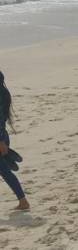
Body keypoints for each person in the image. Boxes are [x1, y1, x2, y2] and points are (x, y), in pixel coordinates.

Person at [0, 72, 29, 211]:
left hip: (0, 137)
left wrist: (0, 141)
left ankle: (23, 201)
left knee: (4, 171)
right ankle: (23, 201)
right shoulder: (4, 93)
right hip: (2, 135)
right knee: (4, 170)